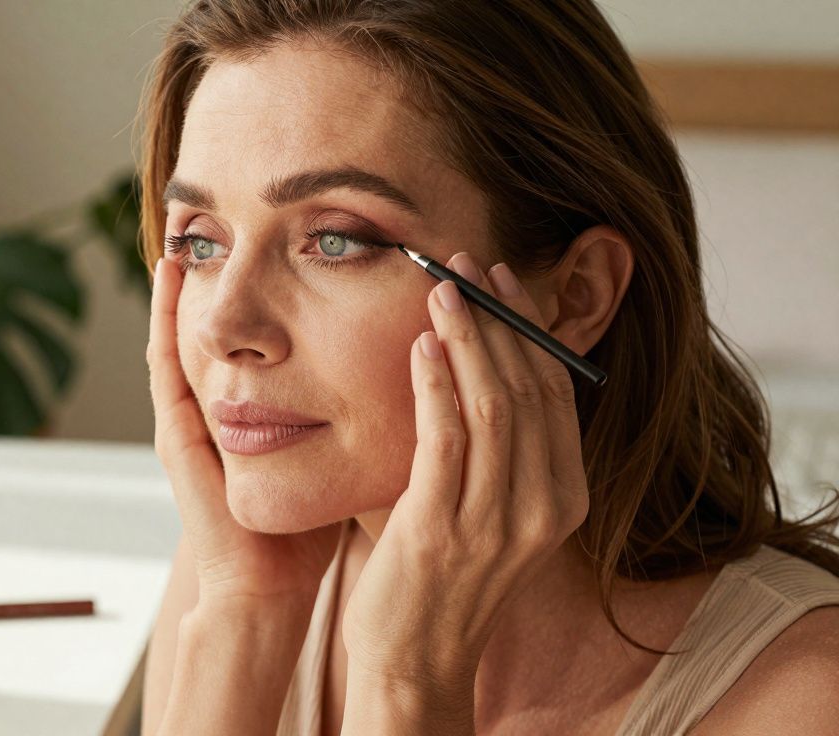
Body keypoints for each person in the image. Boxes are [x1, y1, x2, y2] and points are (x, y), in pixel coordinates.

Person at [135, 1, 839, 734]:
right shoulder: (238, 571)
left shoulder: (804, 701)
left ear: (575, 294)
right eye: (201, 243)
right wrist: (244, 619)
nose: (224, 326)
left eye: (337, 241)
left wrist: (408, 683)